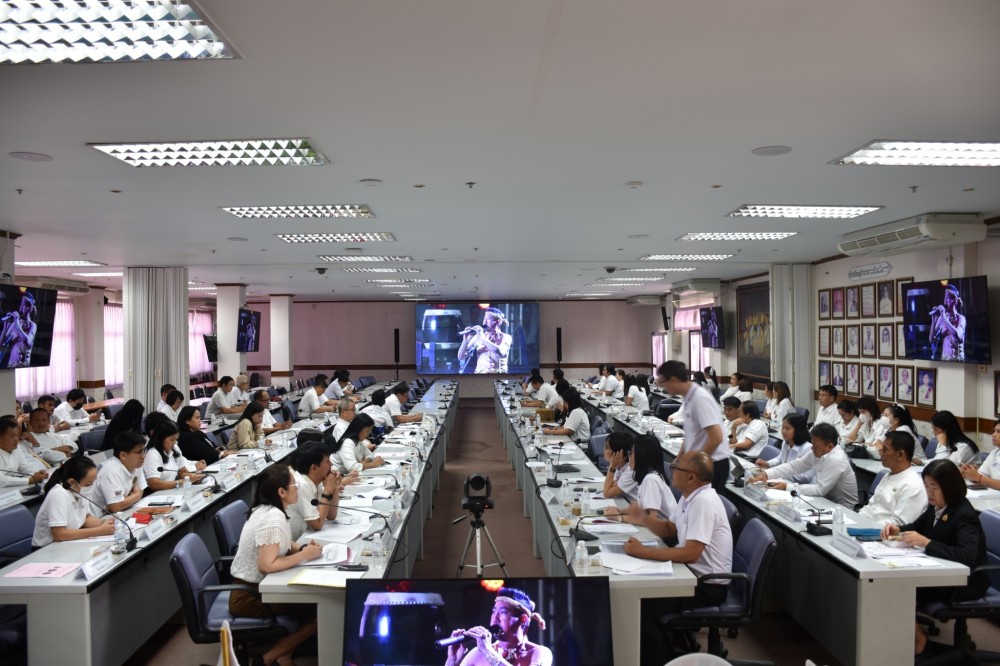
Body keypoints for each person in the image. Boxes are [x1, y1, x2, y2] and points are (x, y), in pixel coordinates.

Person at [623, 451, 733, 664]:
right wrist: (642, 518)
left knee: (640, 610)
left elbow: (691, 553)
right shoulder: (689, 497)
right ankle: (671, 648)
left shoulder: (703, 502)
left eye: (676, 467)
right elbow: (669, 529)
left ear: (691, 476)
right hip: (690, 575)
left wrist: (643, 552)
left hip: (707, 586)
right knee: (640, 597)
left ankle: (664, 660)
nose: (670, 471)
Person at [881, 460, 988, 657]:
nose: (929, 492)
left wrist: (927, 543)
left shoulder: (964, 515)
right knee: (888, 582)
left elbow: (966, 556)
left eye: (934, 487)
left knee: (896, 587)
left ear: (949, 487)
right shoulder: (936, 506)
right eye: (927, 486)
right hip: (941, 571)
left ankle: (920, 642)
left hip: (965, 582)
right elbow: (917, 527)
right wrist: (898, 529)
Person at [229, 463, 320, 666]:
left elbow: (281, 542)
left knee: (311, 605)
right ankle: (267, 659)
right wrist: (304, 555)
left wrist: (303, 548)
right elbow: (267, 565)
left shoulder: (270, 509)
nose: (297, 488)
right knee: (318, 611)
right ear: (281, 492)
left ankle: (284, 655)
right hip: (249, 596)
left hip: (256, 588)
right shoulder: (272, 518)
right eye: (294, 485)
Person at [656, 361, 728, 491]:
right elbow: (691, 434)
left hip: (712, 463)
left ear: (673, 379)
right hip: (701, 461)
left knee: (702, 502)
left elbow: (716, 438)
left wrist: (696, 465)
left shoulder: (700, 398)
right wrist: (679, 458)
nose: (663, 386)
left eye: (663, 382)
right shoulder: (689, 397)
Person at [751, 423, 859, 508]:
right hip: (824, 500)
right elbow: (794, 466)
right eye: (812, 444)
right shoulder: (818, 451)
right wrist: (767, 474)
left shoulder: (836, 459)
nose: (812, 449)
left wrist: (787, 487)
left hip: (844, 508)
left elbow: (820, 490)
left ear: (830, 446)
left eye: (816, 446)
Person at [444, 586, 552, 666]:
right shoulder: (477, 654)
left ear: (523, 619)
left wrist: (488, 652)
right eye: (493, 612)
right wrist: (451, 661)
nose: (495, 618)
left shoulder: (540, 653)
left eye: (503, 612)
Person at [32, 456, 115, 548]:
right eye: (88, 484)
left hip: (67, 544)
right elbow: (59, 535)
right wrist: (100, 531)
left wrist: (106, 523)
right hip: (47, 549)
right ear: (72, 482)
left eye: (92, 483)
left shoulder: (79, 491)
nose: (91, 486)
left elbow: (85, 519)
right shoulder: (59, 494)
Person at [858, 431, 926, 526]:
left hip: (882, 532)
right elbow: (870, 506)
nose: (880, 452)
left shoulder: (913, 486)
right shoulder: (888, 475)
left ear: (900, 455)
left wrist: (866, 526)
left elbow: (899, 524)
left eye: (885, 449)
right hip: (866, 525)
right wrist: (857, 520)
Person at [604, 434, 677, 524]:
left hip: (669, 530)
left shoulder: (651, 480)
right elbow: (642, 508)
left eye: (631, 453)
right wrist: (619, 510)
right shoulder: (646, 477)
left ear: (641, 456)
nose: (629, 457)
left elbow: (651, 520)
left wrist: (618, 517)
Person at [287, 444, 342, 540]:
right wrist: (328, 490)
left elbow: (331, 516)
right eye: (327, 461)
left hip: (306, 536)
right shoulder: (300, 485)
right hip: (295, 542)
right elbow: (317, 525)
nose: (331, 464)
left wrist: (334, 486)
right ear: (314, 468)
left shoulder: (316, 480)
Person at [143, 421, 205, 491]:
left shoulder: (174, 448)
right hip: (157, 494)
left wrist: (192, 477)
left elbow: (182, 471)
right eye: (172, 439)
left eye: (176, 439)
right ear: (161, 438)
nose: (175, 442)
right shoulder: (152, 454)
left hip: (172, 491)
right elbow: (154, 484)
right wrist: (182, 482)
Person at [94, 432, 148, 512]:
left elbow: (141, 490)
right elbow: (115, 506)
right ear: (123, 455)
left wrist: (129, 499)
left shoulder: (136, 465)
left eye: (144, 451)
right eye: (140, 452)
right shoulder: (111, 471)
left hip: (121, 511)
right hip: (100, 516)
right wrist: (136, 495)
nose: (144, 456)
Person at [755, 414, 813, 483]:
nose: (784, 431)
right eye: (783, 428)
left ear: (798, 430)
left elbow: (807, 477)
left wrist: (780, 474)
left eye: (788, 428)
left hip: (797, 486)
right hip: (782, 480)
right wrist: (767, 463)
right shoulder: (786, 442)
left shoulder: (808, 448)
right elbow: (780, 459)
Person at [457, 307, 512, 374]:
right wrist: (465, 341)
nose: (484, 322)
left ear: (498, 322)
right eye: (484, 318)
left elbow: (499, 354)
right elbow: (461, 357)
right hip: (480, 376)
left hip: (499, 377)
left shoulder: (506, 337)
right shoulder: (477, 337)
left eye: (488, 319)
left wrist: (482, 337)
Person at [0, 417, 46, 488]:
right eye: (12, 436)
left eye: (17, 435)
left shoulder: (17, 448)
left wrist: (38, 475)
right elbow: (1, 480)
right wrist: (29, 480)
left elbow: (25, 468)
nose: (16, 439)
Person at [0, 290, 38, 368]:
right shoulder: (16, 324)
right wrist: (4, 329)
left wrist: (17, 322)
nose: (20, 308)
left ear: (29, 308)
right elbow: (1, 344)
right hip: (10, 365)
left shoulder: (33, 325)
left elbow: (27, 342)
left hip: (24, 367)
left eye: (23, 305)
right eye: (21, 304)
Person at [929, 283, 966, 362]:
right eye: (944, 298)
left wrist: (944, 317)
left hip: (958, 361)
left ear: (954, 300)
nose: (945, 301)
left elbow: (958, 335)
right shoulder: (942, 318)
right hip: (944, 360)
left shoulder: (961, 318)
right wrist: (933, 320)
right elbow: (931, 340)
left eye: (948, 298)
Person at [960, 420, 1000, 489]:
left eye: (998, 432)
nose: (993, 435)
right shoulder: (994, 453)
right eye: (994, 431)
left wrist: (978, 477)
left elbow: (979, 478)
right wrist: (969, 472)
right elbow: (981, 476)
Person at [602, 431, 638, 501]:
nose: (603, 449)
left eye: (607, 447)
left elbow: (607, 493)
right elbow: (610, 485)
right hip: (623, 501)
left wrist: (612, 467)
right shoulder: (619, 465)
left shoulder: (631, 471)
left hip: (632, 505)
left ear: (619, 454)